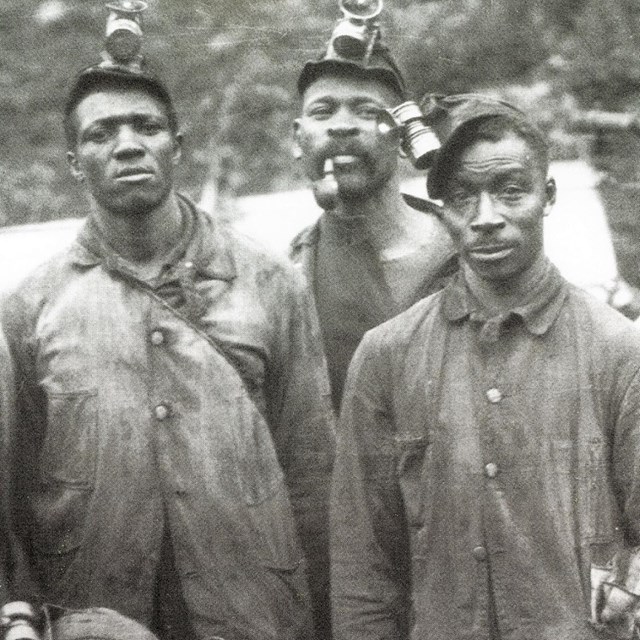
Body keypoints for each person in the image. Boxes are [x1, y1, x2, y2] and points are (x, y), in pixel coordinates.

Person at [0, 53, 335, 640]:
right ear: (74, 163)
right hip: (95, 611)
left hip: (252, 608)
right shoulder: (32, 307)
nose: (127, 145)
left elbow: (312, 472)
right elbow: (16, 498)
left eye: (146, 127)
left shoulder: (270, 282)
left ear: (177, 146)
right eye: (101, 134)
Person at [331, 94, 640, 640]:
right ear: (439, 209)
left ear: (546, 195)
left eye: (510, 191)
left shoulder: (619, 353)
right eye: (462, 197)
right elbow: (364, 568)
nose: (487, 218)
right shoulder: (386, 357)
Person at [290, 32, 457, 413]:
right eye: (322, 111)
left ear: (404, 136)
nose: (342, 127)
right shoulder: (287, 274)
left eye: (367, 111)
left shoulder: (470, 248)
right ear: (298, 139)